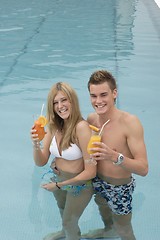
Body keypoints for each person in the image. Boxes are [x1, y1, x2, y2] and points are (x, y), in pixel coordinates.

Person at [82, 70, 148, 240]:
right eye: (93, 96)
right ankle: (108, 230)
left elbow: (143, 168)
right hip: (97, 181)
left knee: (125, 229)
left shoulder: (130, 123)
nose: (98, 101)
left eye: (103, 95)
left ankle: (116, 230)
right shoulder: (91, 119)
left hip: (120, 187)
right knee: (102, 207)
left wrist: (115, 157)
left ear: (114, 93)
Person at [30, 82, 96, 240]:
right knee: (63, 212)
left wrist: (58, 185)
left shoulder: (81, 128)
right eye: (55, 102)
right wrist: (35, 144)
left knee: (69, 221)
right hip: (59, 177)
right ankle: (65, 232)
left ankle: (69, 231)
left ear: (72, 101)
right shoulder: (53, 127)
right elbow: (41, 162)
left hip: (80, 184)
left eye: (64, 100)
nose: (60, 106)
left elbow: (91, 172)